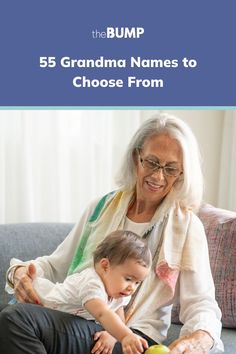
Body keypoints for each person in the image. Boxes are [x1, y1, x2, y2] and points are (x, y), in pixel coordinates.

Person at [0, 113, 224, 354]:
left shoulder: (186, 226)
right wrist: (19, 273)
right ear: (136, 157)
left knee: (16, 319)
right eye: (151, 162)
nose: (158, 176)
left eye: (171, 169)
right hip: (83, 314)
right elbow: (56, 265)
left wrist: (198, 339)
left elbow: (202, 303)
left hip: (133, 336)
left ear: (182, 173)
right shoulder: (101, 207)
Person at [32, 230, 152, 354]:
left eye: (137, 283)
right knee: (32, 288)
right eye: (128, 279)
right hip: (43, 303)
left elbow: (119, 318)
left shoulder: (119, 292)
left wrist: (113, 336)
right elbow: (102, 313)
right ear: (105, 266)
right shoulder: (92, 283)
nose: (131, 287)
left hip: (61, 324)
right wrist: (126, 336)